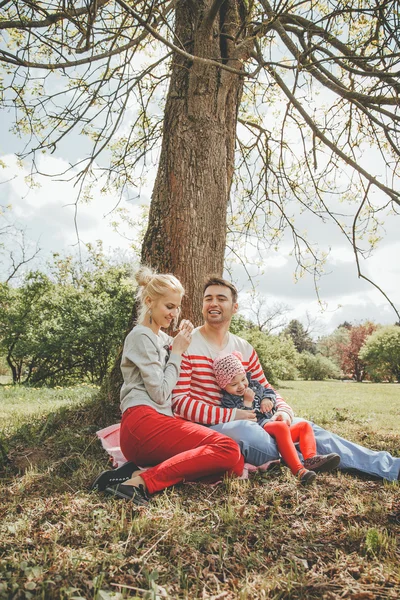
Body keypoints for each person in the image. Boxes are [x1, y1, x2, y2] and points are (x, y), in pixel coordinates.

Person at [171, 276, 400, 482]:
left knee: (306, 427)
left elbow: (266, 388)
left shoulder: (244, 348)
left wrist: (284, 412)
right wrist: (233, 414)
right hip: (218, 429)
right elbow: (179, 402)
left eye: (221, 298)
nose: (213, 303)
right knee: (249, 433)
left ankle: (390, 467)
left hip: (260, 422)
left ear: (234, 307)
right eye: (208, 298)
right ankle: (297, 456)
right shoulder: (188, 343)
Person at [91, 268, 244, 504]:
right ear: (149, 301)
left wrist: (181, 339)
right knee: (227, 448)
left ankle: (131, 474)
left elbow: (176, 356)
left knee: (234, 465)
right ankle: (138, 485)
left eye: (177, 307)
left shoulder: (163, 338)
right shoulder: (140, 336)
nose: (174, 313)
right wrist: (178, 352)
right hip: (141, 422)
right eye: (169, 306)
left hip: (159, 423)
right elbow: (161, 394)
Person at [215, 352, 340, 485]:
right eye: (234, 384)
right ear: (223, 386)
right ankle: (299, 470)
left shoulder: (254, 385)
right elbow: (244, 423)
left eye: (243, 379)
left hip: (272, 423)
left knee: (303, 426)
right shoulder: (228, 401)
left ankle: (310, 459)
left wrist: (267, 399)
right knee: (280, 427)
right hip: (260, 428)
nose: (241, 386)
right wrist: (247, 402)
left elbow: (269, 391)